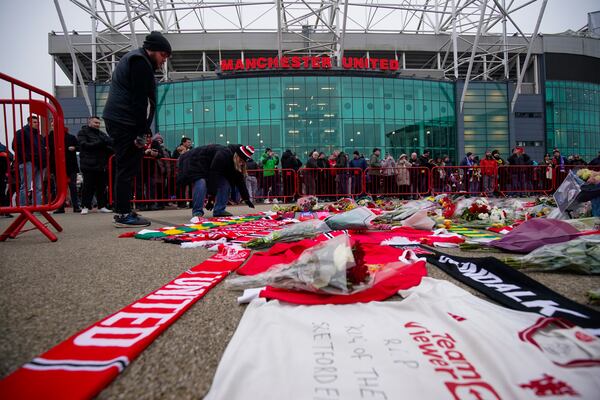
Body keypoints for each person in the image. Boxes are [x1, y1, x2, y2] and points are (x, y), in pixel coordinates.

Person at [102, 31, 172, 227]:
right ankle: (123, 214)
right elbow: (140, 100)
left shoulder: (135, 59)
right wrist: (141, 131)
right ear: (153, 50)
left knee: (127, 166)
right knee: (127, 166)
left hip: (121, 119)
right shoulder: (140, 62)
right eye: (163, 56)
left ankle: (123, 209)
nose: (163, 61)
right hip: (125, 121)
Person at [177, 144, 255, 218]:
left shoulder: (236, 161)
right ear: (237, 156)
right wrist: (211, 198)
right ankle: (197, 211)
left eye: (243, 162)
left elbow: (240, 180)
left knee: (225, 183)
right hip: (196, 162)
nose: (241, 163)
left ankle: (219, 210)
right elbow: (214, 175)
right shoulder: (223, 154)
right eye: (240, 160)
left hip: (210, 165)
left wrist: (246, 198)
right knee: (201, 182)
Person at [12, 115, 47, 206]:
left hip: (39, 163)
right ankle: (24, 207)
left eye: (37, 122)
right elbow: (15, 146)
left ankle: (38, 206)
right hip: (28, 162)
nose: (37, 124)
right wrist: (27, 158)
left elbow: (42, 149)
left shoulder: (39, 136)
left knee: (38, 187)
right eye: (35, 122)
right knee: (26, 186)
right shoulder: (21, 133)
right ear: (29, 123)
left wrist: (44, 162)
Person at [53, 127, 81, 213]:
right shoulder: (53, 137)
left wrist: (74, 148)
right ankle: (68, 206)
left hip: (68, 165)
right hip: (62, 165)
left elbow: (79, 147)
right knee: (64, 187)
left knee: (69, 186)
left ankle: (73, 206)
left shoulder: (70, 137)